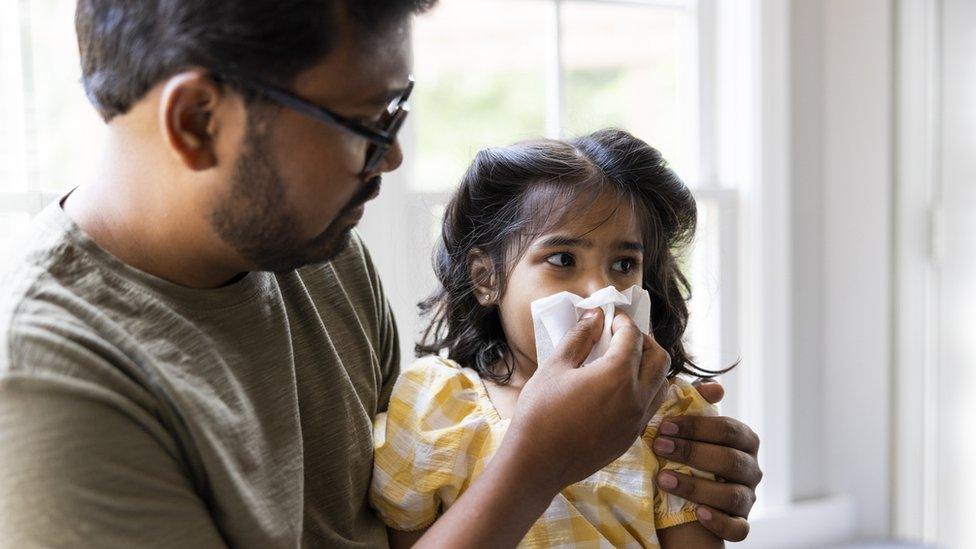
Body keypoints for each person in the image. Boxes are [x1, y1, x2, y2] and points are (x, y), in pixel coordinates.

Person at [0, 1, 761, 546]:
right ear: (198, 121)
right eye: (366, 121)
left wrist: (680, 475)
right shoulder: (51, 388)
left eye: (397, 110)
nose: (391, 157)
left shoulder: (319, 254)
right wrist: (540, 461)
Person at [371, 129, 731, 548]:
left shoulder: (666, 415)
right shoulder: (434, 410)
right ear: (486, 278)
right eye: (562, 260)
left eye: (623, 263)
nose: (600, 290)